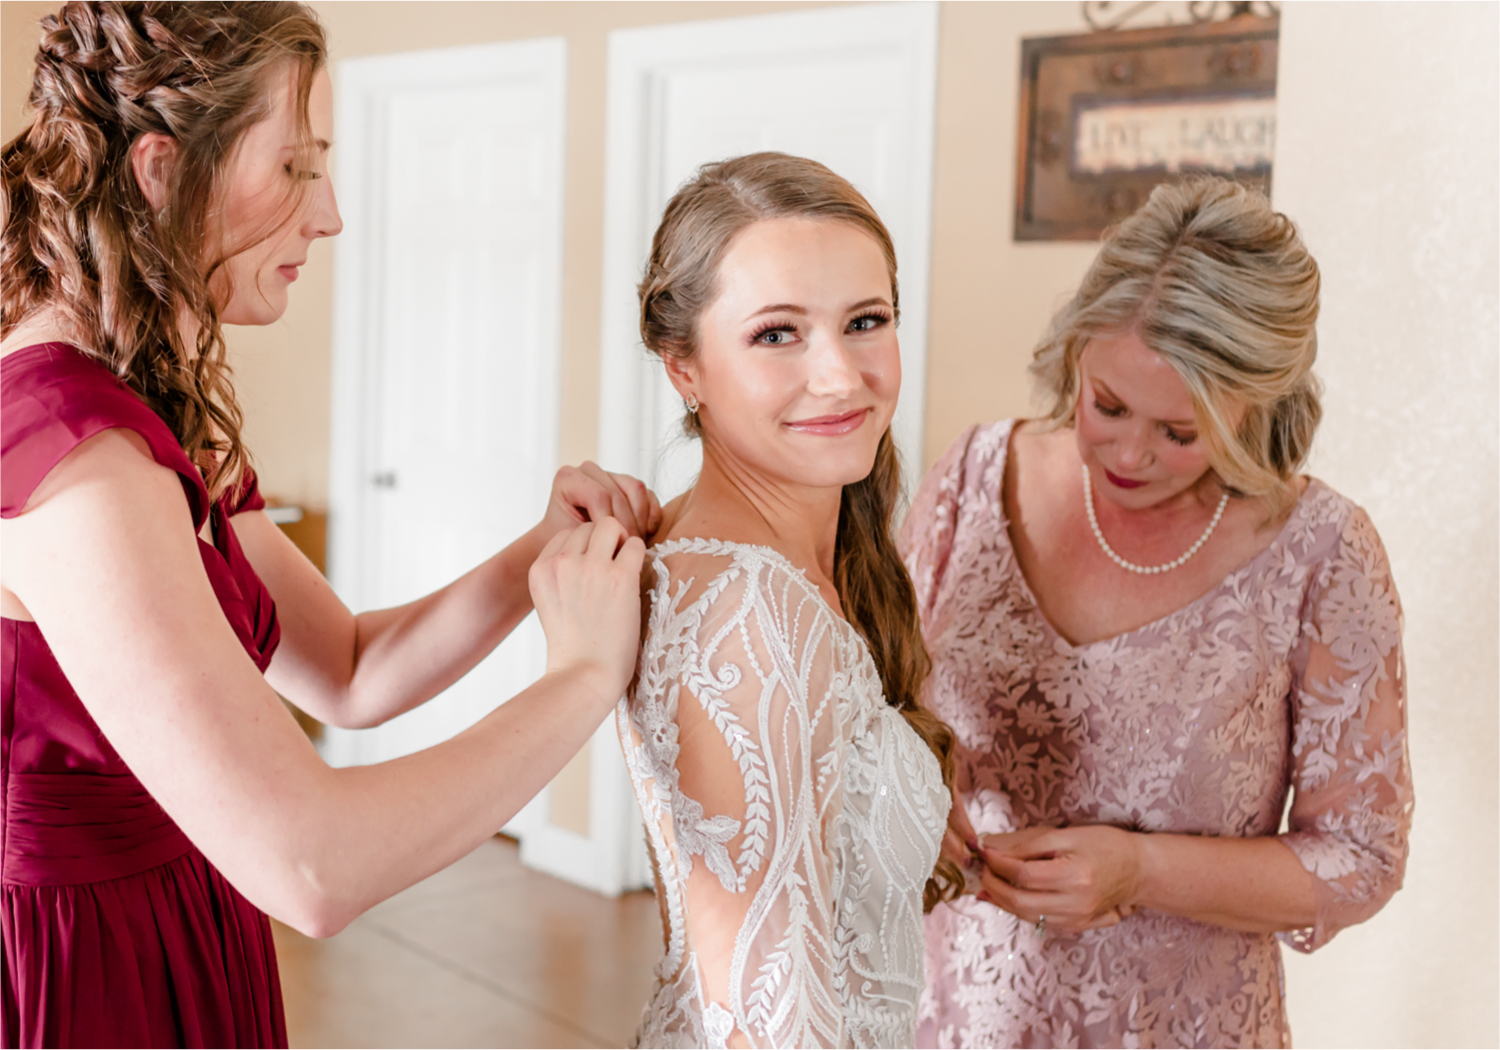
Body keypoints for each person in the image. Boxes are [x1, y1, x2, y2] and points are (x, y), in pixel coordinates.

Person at [0, 4, 655, 1047]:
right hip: (86, 975)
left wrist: (539, 551)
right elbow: (311, 866)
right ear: (163, 171)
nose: (332, 213)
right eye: (298, 168)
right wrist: (582, 681)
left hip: (187, 922)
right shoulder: (74, 455)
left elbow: (349, 671)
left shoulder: (157, 411)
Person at [902, 177, 1412, 1048]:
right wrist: (914, 782)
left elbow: (1361, 855)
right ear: (1075, 354)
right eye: (1107, 405)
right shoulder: (974, 479)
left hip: (1180, 1025)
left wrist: (1139, 870)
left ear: (1260, 404)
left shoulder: (1321, 552)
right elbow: (883, 700)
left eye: (1181, 432)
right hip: (952, 1011)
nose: (1130, 453)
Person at [617, 152, 962, 1049]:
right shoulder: (751, 610)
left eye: (865, 322)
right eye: (778, 334)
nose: (841, 376)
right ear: (682, 367)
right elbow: (772, 1021)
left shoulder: (809, 559)